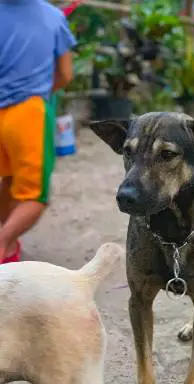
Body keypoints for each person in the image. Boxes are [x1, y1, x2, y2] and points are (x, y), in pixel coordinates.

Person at [0, 0, 77, 263]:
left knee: (10, 179)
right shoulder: (53, 17)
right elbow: (65, 74)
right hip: (28, 112)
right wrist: (42, 89)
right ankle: (3, 245)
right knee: (35, 197)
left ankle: (9, 244)